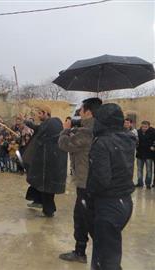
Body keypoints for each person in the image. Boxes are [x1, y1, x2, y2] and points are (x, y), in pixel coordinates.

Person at [87, 103, 135, 270]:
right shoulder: (127, 139)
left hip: (109, 204)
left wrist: (89, 195)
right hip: (125, 202)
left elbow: (102, 179)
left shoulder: (102, 143)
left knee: (106, 260)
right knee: (109, 253)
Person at [58, 97, 102, 264]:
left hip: (85, 182)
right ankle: (91, 252)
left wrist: (65, 130)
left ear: (89, 112)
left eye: (81, 111)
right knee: (90, 217)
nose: (79, 114)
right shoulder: (101, 129)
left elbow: (64, 145)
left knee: (83, 218)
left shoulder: (86, 132)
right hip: (97, 180)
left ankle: (81, 252)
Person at [22, 104, 67, 217]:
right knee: (39, 185)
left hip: (49, 165)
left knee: (47, 189)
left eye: (40, 113)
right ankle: (39, 202)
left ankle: (48, 211)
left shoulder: (53, 124)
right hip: (43, 165)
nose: (38, 115)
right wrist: (26, 122)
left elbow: (42, 133)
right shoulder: (46, 125)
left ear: (47, 114)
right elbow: (38, 128)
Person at [135, 120, 154, 189]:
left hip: (149, 154)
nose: (144, 128)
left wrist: (153, 146)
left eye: (145, 127)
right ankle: (140, 183)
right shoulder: (138, 132)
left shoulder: (152, 132)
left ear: (148, 126)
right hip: (140, 154)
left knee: (149, 170)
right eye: (143, 127)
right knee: (139, 169)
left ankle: (148, 184)